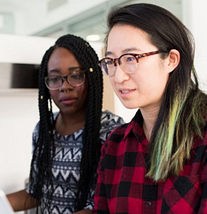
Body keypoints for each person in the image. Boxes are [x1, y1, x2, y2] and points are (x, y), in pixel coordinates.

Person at [93, 3, 207, 214]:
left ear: (171, 60)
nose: (118, 76)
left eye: (131, 58)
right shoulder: (115, 144)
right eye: (111, 61)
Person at [7, 34, 124, 214]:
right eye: (54, 79)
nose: (64, 87)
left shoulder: (111, 131)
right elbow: (36, 194)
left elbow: (101, 207)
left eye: (76, 75)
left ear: (91, 78)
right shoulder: (43, 129)